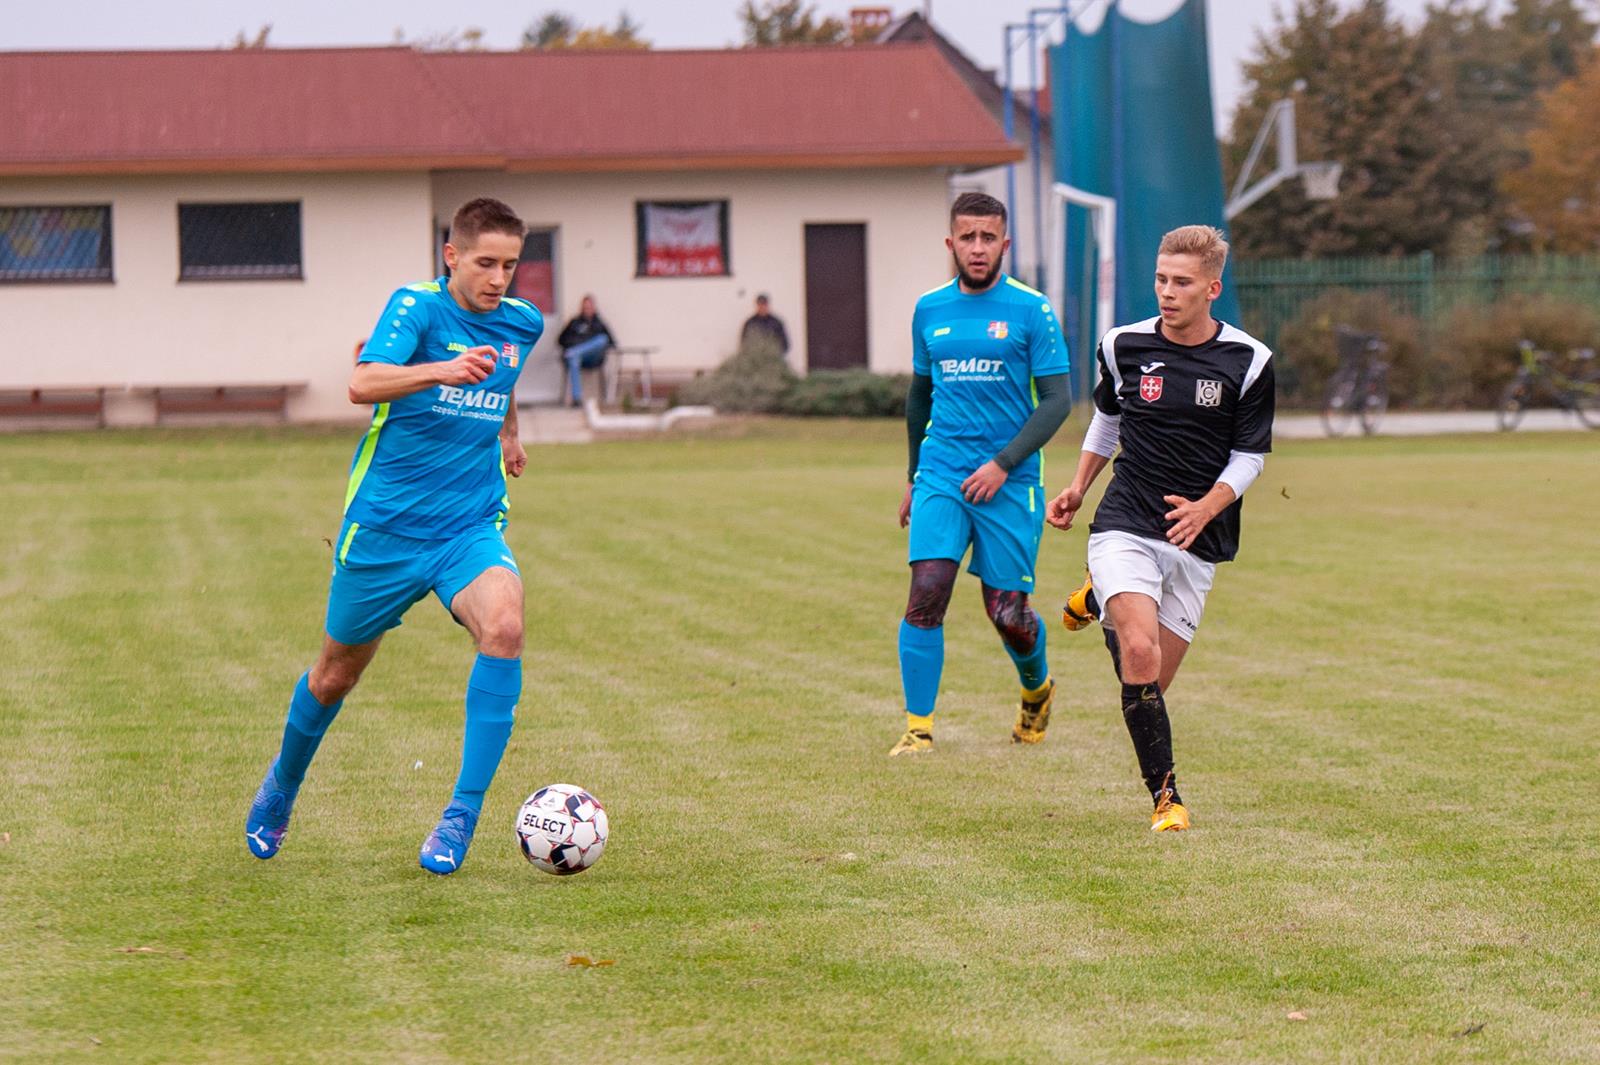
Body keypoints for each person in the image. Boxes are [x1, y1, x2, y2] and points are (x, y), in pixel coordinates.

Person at [245, 197, 544, 875]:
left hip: (467, 525)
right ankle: (282, 785)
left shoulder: (523, 323)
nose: (500, 278)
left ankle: (459, 817)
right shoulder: (416, 308)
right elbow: (361, 383)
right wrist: (440, 369)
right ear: (452, 256)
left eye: (511, 265)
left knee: (505, 626)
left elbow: (506, 375)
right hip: (384, 530)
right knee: (334, 675)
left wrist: (509, 431)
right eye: (486, 262)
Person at [1045, 224, 1274, 833]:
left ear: (1212, 289)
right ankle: (1167, 800)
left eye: (1181, 283)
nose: (1167, 292)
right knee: (1140, 650)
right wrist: (1077, 487)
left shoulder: (1249, 361)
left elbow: (1250, 456)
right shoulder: (1122, 344)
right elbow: (1107, 421)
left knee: (1145, 677)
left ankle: (1098, 598)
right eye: (1160, 279)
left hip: (1198, 540)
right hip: (1125, 518)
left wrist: (1207, 506)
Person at [890, 191, 1073, 757]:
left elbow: (1058, 401)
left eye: (987, 237)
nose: (977, 247)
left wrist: (1002, 464)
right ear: (951, 243)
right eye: (966, 237)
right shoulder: (929, 308)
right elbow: (919, 397)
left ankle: (1036, 691)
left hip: (1010, 480)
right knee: (927, 590)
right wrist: (915, 476)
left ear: (1005, 244)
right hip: (943, 472)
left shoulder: (1032, 309)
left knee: (1008, 614)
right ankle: (918, 728)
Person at [557, 294, 615, 406]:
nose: (587, 310)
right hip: (577, 358)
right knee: (574, 360)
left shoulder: (599, 324)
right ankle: (577, 399)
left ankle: (575, 351)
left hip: (594, 358)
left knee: (602, 339)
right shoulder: (574, 322)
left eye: (589, 307)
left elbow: (611, 342)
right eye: (585, 307)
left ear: (594, 308)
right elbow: (561, 340)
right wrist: (573, 345)